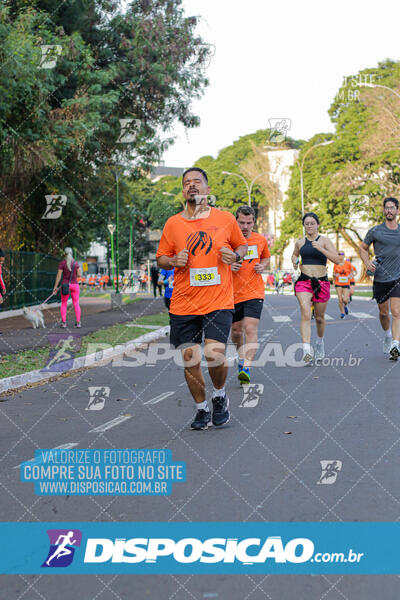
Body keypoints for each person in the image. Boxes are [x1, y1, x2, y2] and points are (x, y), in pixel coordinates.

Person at [156, 167, 247, 430]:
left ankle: (219, 396)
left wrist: (236, 255)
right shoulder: (173, 223)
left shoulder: (226, 218)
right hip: (184, 301)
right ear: (183, 190)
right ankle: (201, 409)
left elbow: (241, 244)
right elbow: (161, 256)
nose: (192, 186)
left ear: (207, 189)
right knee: (189, 358)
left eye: (197, 182)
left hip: (218, 299)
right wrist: (172, 260)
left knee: (214, 353)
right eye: (187, 183)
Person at [292, 212, 343, 364]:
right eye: (306, 223)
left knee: (320, 318)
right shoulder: (300, 242)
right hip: (304, 281)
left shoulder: (325, 240)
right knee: (306, 314)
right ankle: (307, 350)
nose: (309, 226)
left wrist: (321, 249)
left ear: (317, 225)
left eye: (312, 223)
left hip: (321, 282)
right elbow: (294, 255)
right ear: (304, 225)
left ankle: (319, 343)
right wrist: (295, 261)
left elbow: (338, 260)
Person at [230, 206, 270, 383]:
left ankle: (246, 367)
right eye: (241, 222)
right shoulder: (228, 240)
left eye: (249, 223)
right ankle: (241, 358)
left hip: (254, 291)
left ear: (254, 222)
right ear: (235, 221)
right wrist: (229, 266)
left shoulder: (260, 240)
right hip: (232, 293)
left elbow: (266, 257)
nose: (245, 226)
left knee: (250, 328)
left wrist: (263, 265)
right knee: (236, 331)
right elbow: (218, 261)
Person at [359, 197, 400, 359]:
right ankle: (388, 335)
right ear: (384, 211)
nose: (389, 210)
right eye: (387, 208)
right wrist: (367, 261)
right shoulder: (375, 231)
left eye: (392, 208)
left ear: (397, 210)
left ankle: (396, 346)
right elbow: (363, 248)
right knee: (383, 313)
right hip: (381, 278)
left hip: (397, 277)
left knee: (396, 312)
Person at [53, 248, 82, 328]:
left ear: (64, 254)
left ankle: (64, 323)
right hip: (75, 285)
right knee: (76, 304)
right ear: (72, 254)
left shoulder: (62, 263)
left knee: (64, 303)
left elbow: (59, 276)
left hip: (65, 285)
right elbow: (79, 275)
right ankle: (78, 322)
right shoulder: (75, 263)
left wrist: (55, 287)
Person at [333, 252, 352, 318]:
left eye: (341, 254)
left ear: (344, 256)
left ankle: (345, 306)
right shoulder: (336, 264)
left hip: (346, 283)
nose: (340, 256)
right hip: (338, 283)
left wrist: (350, 276)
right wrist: (335, 275)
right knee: (340, 299)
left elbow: (352, 272)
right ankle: (342, 313)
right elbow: (334, 274)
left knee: (345, 300)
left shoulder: (348, 264)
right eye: (339, 254)